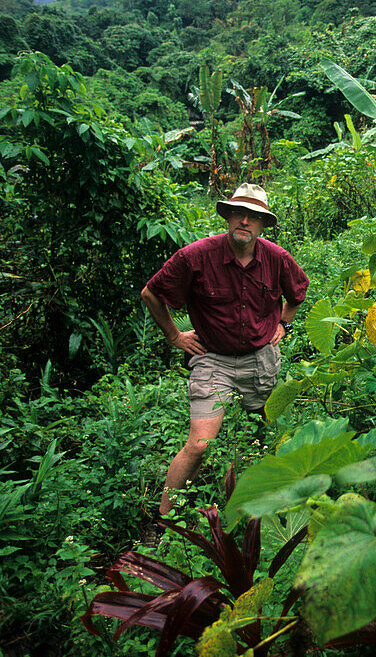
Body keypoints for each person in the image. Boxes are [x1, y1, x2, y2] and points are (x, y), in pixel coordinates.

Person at [141, 183, 308, 521]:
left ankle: (258, 510)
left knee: (262, 433)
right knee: (199, 445)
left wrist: (284, 324)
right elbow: (151, 293)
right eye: (238, 213)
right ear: (228, 217)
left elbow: (298, 292)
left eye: (253, 216)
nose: (244, 221)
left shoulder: (276, 259)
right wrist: (175, 336)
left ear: (263, 224)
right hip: (213, 360)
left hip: (261, 359)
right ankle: (162, 520)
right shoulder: (197, 256)